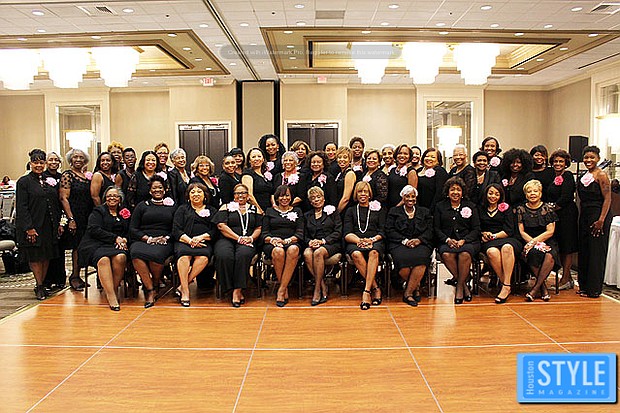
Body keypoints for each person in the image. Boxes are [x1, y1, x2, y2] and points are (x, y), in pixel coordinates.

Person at [15, 149, 64, 300]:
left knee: (46, 255)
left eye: (41, 162)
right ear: (30, 163)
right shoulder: (24, 182)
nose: (39, 165)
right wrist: (29, 228)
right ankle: (39, 284)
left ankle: (42, 283)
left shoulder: (48, 180)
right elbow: (22, 207)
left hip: (48, 224)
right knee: (36, 256)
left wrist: (59, 223)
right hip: (33, 225)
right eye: (35, 162)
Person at [77, 186, 130, 311]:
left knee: (121, 257)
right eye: (109, 196)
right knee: (104, 259)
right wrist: (115, 238)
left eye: (115, 196)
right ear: (105, 198)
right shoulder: (98, 211)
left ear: (120, 199)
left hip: (115, 244)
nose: (112, 198)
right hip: (95, 243)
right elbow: (94, 229)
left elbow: (129, 230)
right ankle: (111, 297)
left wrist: (124, 239)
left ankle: (113, 289)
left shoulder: (124, 212)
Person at [129, 175, 176, 308]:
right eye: (154, 188)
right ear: (150, 191)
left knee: (156, 255)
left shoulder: (172, 206)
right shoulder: (142, 206)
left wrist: (166, 238)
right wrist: (148, 239)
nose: (157, 190)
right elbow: (133, 228)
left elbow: (176, 228)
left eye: (160, 187)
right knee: (136, 253)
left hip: (164, 240)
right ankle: (150, 289)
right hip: (144, 239)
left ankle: (155, 283)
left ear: (165, 190)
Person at [213, 184, 262, 307]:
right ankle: (228, 287)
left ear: (248, 195)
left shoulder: (254, 209)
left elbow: (259, 227)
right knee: (224, 255)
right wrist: (238, 238)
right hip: (227, 239)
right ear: (233, 195)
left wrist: (251, 238)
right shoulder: (226, 207)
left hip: (248, 240)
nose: (240, 195)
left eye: (243, 192)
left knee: (243, 255)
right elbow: (221, 226)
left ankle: (237, 290)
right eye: (237, 193)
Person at [434, 177, 480, 304]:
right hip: (447, 241)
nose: (455, 192)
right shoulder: (440, 206)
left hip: (468, 242)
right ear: (447, 192)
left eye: (458, 190)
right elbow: (436, 228)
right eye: (452, 189)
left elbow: (476, 229)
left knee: (464, 254)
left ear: (463, 192)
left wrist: (464, 240)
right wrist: (447, 240)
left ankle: (459, 286)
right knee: (446, 254)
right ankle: (464, 284)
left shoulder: (470, 206)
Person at [385, 185, 433, 307]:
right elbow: (389, 230)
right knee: (403, 261)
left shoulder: (425, 212)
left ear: (416, 198)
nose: (410, 199)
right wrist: (405, 241)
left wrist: (419, 240)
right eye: (407, 196)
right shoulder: (394, 212)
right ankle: (416, 287)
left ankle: (408, 293)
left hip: (421, 243)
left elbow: (430, 230)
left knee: (421, 259)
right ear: (403, 198)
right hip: (399, 243)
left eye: (413, 196)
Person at [172, 182, 217, 307]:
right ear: (188, 196)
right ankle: (185, 291)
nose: (196, 194)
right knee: (184, 257)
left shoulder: (212, 210)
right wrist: (190, 240)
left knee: (203, 257)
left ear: (205, 195)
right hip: (184, 241)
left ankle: (183, 285)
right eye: (192, 192)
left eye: (199, 192)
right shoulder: (182, 209)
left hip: (203, 242)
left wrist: (200, 238)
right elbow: (176, 229)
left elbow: (214, 230)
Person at [344, 181, 386, 310]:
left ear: (369, 194)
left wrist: (371, 240)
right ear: (356, 194)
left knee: (374, 253)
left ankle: (366, 292)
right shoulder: (351, 210)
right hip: (355, 241)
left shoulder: (378, 209)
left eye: (365, 191)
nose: (363, 194)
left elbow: (382, 232)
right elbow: (347, 233)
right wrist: (359, 241)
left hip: (375, 241)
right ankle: (375, 288)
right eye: (360, 191)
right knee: (356, 254)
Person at [577, 146, 612, 298]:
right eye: (586, 157)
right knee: (585, 250)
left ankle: (594, 289)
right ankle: (584, 286)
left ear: (598, 158)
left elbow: (608, 198)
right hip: (585, 216)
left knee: (596, 252)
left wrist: (601, 220)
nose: (588, 160)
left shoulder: (602, 175)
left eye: (592, 157)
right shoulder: (584, 175)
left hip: (599, 215)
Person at [516, 179, 559, 302]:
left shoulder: (547, 209)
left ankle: (535, 289)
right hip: (527, 240)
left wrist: (536, 242)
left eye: (535, 191)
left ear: (540, 193)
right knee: (533, 253)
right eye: (529, 192)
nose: (532, 194)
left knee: (550, 255)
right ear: (526, 195)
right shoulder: (521, 209)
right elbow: (521, 231)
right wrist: (532, 243)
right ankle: (543, 287)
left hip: (547, 240)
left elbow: (550, 231)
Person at [478, 184, 521, 303]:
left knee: (507, 248)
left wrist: (494, 236)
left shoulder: (506, 208)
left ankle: (505, 286)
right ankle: (507, 284)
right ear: (486, 194)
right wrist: (483, 233)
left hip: (506, 237)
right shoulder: (480, 208)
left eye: (497, 194)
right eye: (490, 193)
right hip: (488, 242)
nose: (493, 196)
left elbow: (509, 230)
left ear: (501, 196)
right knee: (492, 252)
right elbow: (477, 227)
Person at [263, 185, 304, 307]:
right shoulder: (269, 211)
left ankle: (281, 289)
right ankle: (284, 288)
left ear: (291, 197)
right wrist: (273, 240)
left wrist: (287, 241)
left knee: (293, 249)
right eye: (281, 196)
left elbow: (300, 233)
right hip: (273, 243)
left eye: (287, 195)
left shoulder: (297, 211)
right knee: (278, 251)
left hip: (291, 241)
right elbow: (264, 234)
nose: (284, 198)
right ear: (276, 198)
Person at [59, 148, 94, 291]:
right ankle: (74, 276)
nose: (78, 160)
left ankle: (78, 275)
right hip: (75, 215)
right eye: (75, 157)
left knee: (83, 246)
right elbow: (63, 198)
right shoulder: (67, 175)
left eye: (81, 157)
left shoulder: (86, 176)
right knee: (76, 247)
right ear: (70, 160)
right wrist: (71, 219)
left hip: (87, 215)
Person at [303, 186, 342, 306]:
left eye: (318, 197)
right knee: (307, 253)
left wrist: (323, 241)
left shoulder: (332, 212)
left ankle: (317, 290)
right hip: (313, 243)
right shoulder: (307, 215)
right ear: (310, 202)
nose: (316, 200)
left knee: (318, 252)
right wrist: (310, 242)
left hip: (330, 243)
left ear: (324, 198)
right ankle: (322, 285)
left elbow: (338, 232)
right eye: (313, 198)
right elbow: (303, 235)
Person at [547, 149, 578, 290]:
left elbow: (566, 197)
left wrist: (551, 208)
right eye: (555, 161)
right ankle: (568, 278)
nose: (558, 164)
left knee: (567, 247)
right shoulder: (553, 177)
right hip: (556, 216)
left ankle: (565, 279)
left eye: (561, 161)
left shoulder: (568, 176)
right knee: (560, 246)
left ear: (566, 163)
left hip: (567, 215)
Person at [42, 151, 65, 291]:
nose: (54, 162)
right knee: (47, 250)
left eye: (56, 160)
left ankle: (60, 279)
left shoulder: (62, 177)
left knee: (59, 249)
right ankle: (46, 280)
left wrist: (62, 222)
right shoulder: (41, 177)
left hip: (59, 216)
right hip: (46, 217)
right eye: (51, 160)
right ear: (46, 162)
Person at [241, 147, 273, 214]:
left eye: (259, 156)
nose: (257, 159)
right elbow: (249, 196)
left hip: (268, 210)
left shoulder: (265, 175)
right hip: (256, 211)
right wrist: (260, 210)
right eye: (253, 157)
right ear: (249, 160)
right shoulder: (247, 174)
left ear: (263, 159)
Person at [334, 146, 357, 213]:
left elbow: (346, 198)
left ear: (350, 159)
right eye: (339, 157)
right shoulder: (340, 174)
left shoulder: (350, 174)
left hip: (346, 210)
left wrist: (336, 213)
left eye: (345, 157)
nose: (342, 159)